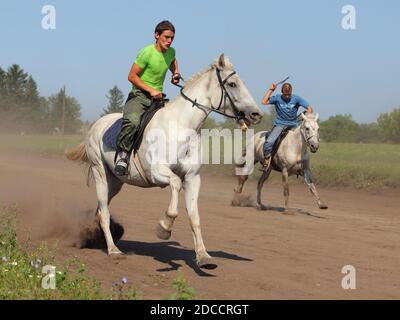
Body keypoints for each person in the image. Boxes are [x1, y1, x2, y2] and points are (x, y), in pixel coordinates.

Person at [115, 20, 181, 176]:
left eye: (172, 38)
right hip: (139, 95)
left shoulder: (171, 51)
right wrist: (150, 90)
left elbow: (172, 60)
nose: (169, 41)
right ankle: (123, 156)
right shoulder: (147, 52)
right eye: (166, 37)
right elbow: (131, 76)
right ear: (156, 35)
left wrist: (176, 73)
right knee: (132, 121)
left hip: (157, 98)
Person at [261, 82, 313, 169]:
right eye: (285, 95)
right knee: (269, 142)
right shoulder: (277, 98)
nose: (287, 96)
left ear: (291, 92)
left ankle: (303, 163)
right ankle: (267, 160)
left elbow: (310, 109)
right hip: (280, 125)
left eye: (289, 94)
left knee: (307, 140)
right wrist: (271, 90)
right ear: (282, 92)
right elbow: (264, 101)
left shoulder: (296, 99)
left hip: (293, 125)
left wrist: (306, 116)